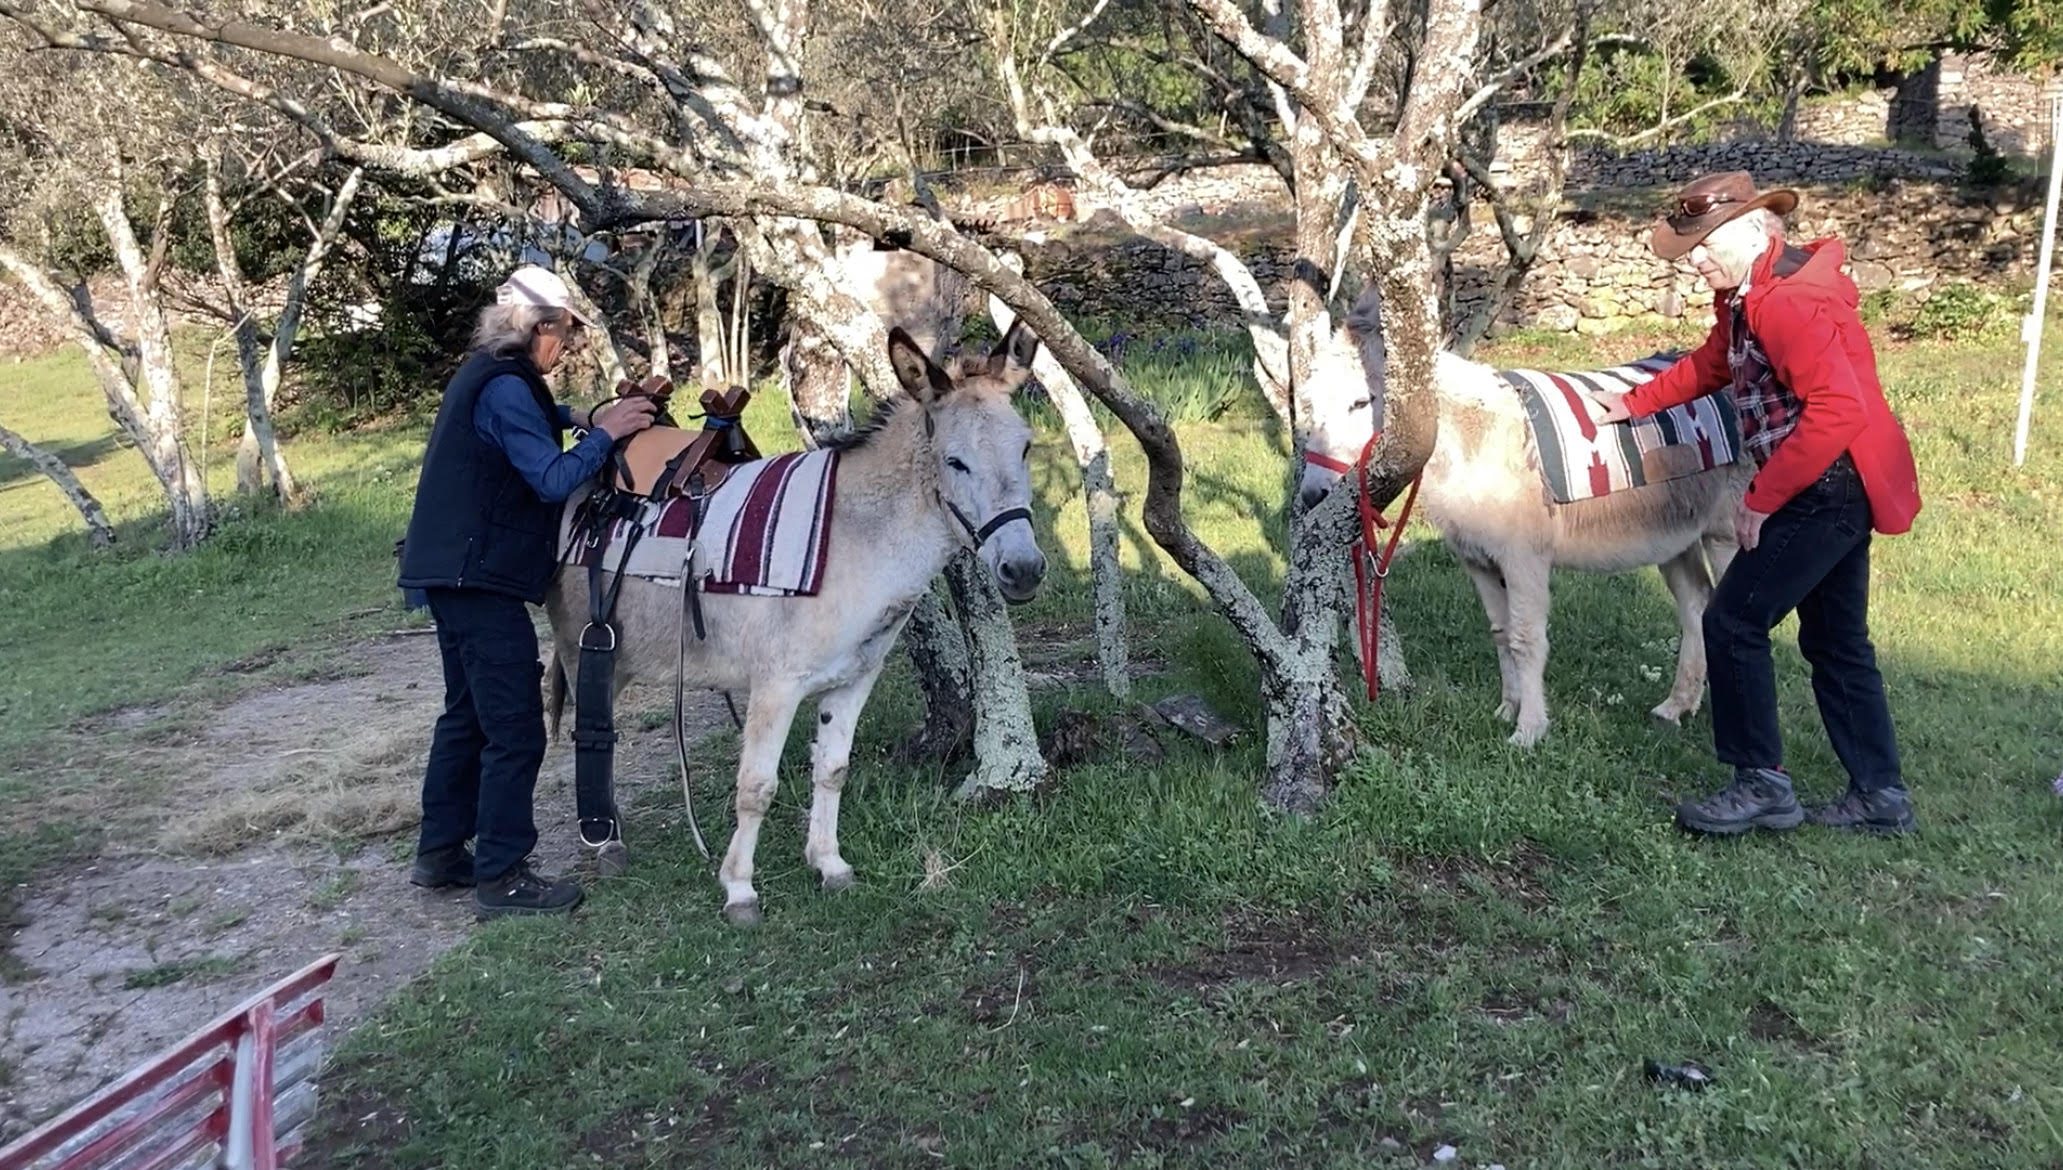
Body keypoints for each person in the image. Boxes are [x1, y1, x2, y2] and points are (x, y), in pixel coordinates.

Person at [1589, 172, 1923, 837]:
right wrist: (1632, 403)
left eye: (1703, 247)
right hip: (1829, 480)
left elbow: (1835, 411)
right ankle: (1879, 796)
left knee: (1732, 621)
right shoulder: (1748, 296)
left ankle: (1760, 784)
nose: (1695, 261)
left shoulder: (1788, 303)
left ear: (1748, 231)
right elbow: (1714, 363)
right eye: (1689, 251)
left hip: (1827, 483)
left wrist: (1759, 500)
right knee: (1836, 641)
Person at [396, 265, 658, 917]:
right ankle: (503, 876)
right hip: (477, 574)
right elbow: (549, 478)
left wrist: (590, 414)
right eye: (564, 333)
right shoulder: (508, 389)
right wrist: (608, 434)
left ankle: (440, 854)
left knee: (466, 716)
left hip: (449, 573)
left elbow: (544, 417)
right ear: (537, 327)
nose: (567, 347)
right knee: (515, 726)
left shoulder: (492, 373)